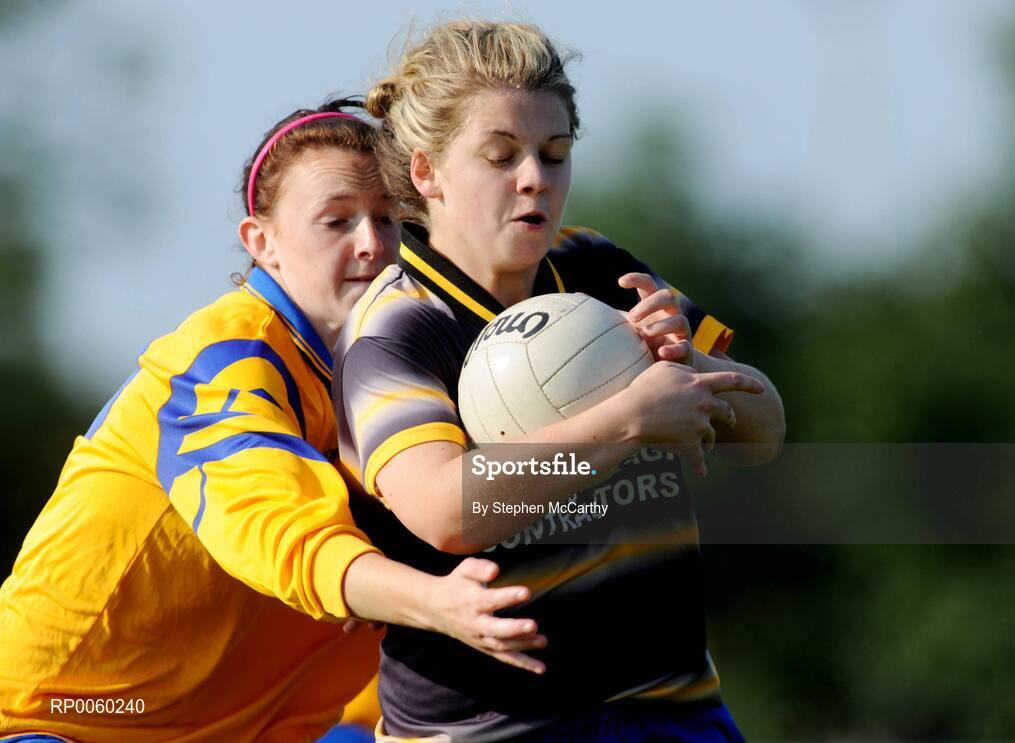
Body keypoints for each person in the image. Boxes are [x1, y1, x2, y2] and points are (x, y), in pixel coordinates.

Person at [0, 100, 546, 743]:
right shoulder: (226, 357)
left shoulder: (429, 358)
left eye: (390, 220)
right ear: (263, 244)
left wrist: (645, 376)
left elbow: (584, 497)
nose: (372, 243)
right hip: (66, 721)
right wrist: (432, 601)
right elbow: (277, 528)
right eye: (336, 221)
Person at [335, 21, 786, 742]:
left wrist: (691, 369)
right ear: (426, 173)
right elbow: (445, 510)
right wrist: (625, 420)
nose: (533, 178)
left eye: (554, 154)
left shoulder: (600, 270)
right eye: (500, 155)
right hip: (489, 728)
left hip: (671, 705)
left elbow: (764, 432)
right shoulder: (398, 325)